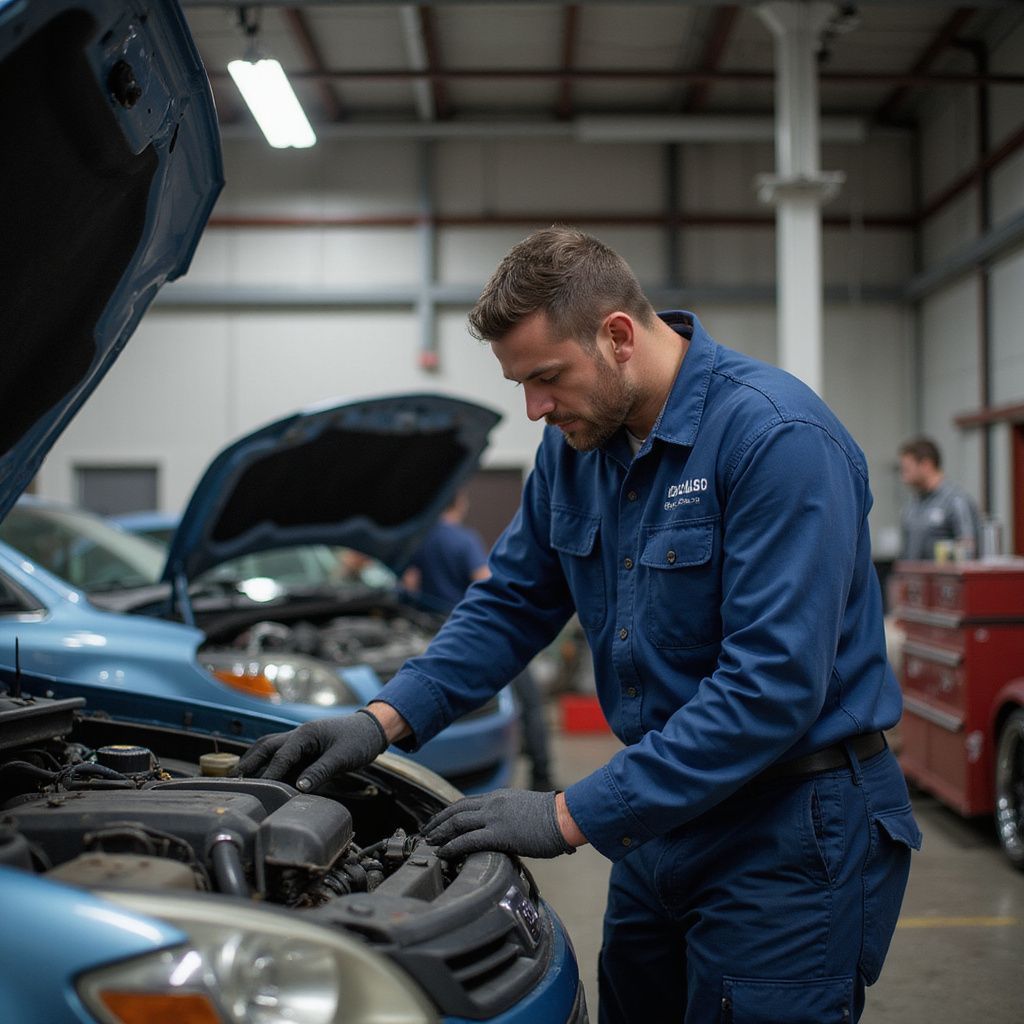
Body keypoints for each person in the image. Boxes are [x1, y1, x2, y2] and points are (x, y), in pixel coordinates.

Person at [239, 227, 921, 1023]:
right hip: (660, 819)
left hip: (788, 831)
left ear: (619, 336)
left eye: (546, 378)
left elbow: (770, 689)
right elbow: (513, 600)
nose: (534, 408)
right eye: (520, 384)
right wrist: (380, 719)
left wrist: (567, 815)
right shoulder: (576, 448)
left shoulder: (776, 439)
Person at [402, 490, 555, 791]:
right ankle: (542, 778)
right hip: (477, 634)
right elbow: (489, 585)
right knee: (530, 703)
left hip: (432, 635)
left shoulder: (420, 540)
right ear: (460, 502)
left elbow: (407, 585)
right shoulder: (463, 539)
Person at [898, 436, 981, 560]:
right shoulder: (912, 505)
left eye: (907, 470)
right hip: (914, 578)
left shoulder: (956, 501)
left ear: (926, 465)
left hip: (942, 578)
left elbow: (968, 549)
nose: (903, 478)